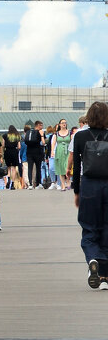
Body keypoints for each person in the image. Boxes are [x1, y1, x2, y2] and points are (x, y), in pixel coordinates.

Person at [72, 102, 108, 288]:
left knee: (89, 227)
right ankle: (104, 275)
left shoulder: (80, 136)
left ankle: (93, 258)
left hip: (89, 186)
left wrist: (76, 191)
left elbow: (76, 167)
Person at [23, 120, 45, 189]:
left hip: (29, 152)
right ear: (38, 125)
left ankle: (30, 184)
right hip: (37, 152)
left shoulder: (29, 132)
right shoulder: (40, 132)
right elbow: (43, 143)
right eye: (41, 125)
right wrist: (42, 135)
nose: (42, 127)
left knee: (30, 168)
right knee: (38, 168)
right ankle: (38, 184)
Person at [52, 119, 72, 191]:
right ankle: (63, 185)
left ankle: (68, 181)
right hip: (59, 151)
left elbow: (72, 142)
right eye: (62, 123)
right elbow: (53, 143)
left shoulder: (70, 132)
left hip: (68, 151)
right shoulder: (56, 134)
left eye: (65, 123)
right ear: (59, 124)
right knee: (60, 168)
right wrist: (52, 151)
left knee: (67, 166)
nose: (64, 124)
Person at [3, 125, 22, 190]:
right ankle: (13, 184)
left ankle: (8, 180)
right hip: (14, 151)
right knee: (14, 168)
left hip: (7, 151)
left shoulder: (5, 136)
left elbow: (3, 145)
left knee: (8, 168)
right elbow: (19, 146)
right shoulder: (17, 136)